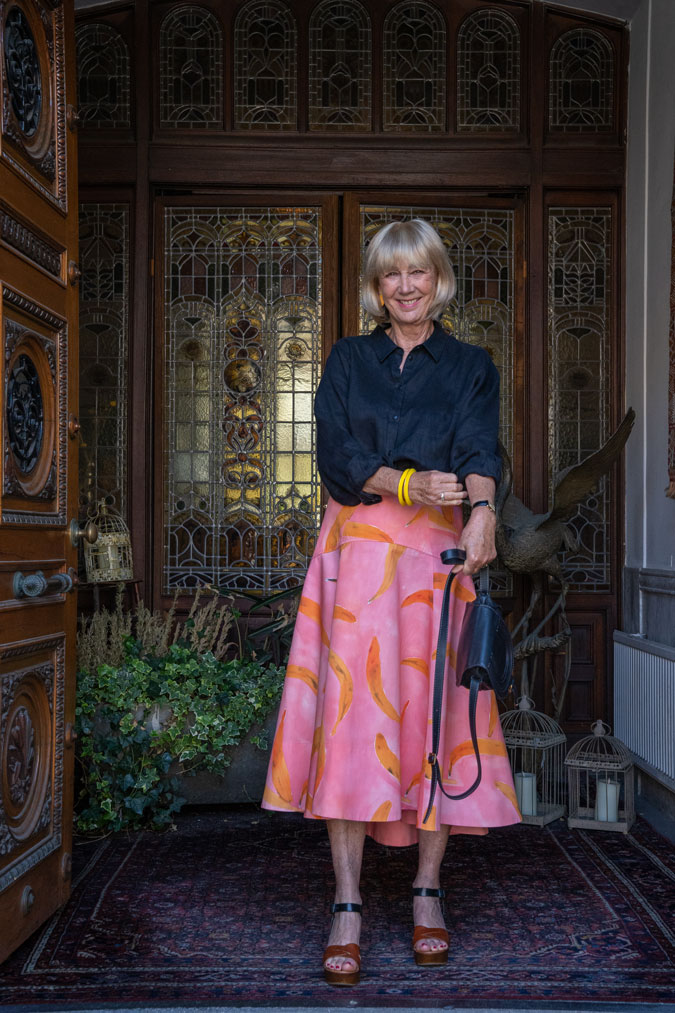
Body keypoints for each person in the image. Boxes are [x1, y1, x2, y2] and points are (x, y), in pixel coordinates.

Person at [262, 218, 520, 985]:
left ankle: (427, 892)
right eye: (389, 275)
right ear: (376, 287)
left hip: (433, 562)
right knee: (350, 722)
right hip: (358, 557)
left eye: (417, 272)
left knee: (434, 718)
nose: (404, 286)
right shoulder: (348, 359)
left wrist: (482, 513)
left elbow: (478, 448)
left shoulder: (470, 365)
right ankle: (346, 902)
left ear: (437, 279)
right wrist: (407, 482)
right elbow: (335, 456)